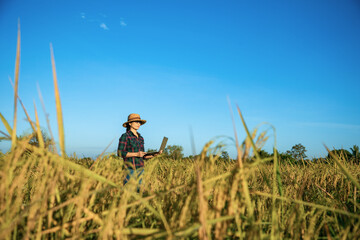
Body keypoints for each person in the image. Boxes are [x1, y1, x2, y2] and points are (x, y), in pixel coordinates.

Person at [117, 113, 161, 186]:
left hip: (140, 169)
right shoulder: (125, 136)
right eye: (136, 122)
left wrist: (154, 155)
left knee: (139, 193)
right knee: (128, 192)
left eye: (139, 122)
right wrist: (136, 154)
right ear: (130, 123)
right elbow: (120, 153)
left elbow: (143, 156)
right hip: (129, 170)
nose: (138, 124)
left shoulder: (141, 138)